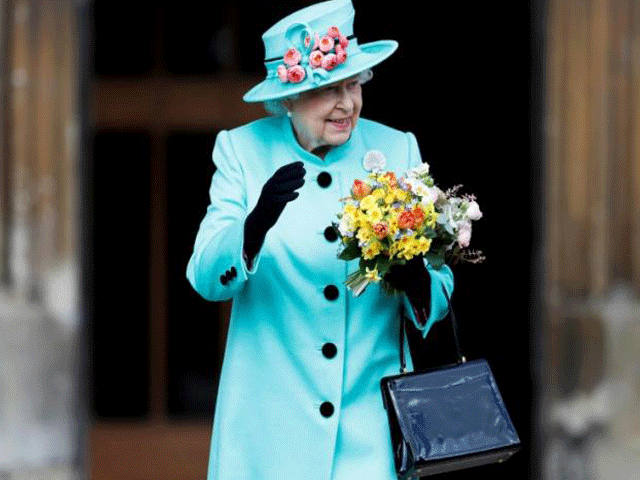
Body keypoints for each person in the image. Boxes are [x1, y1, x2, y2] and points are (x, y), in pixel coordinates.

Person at [186, 1, 454, 478]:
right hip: (269, 429)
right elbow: (207, 276)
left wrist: (417, 279)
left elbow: (437, 290)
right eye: (327, 89)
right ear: (286, 98)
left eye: (353, 84)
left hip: (370, 429)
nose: (347, 103)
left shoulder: (395, 148)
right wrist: (251, 229)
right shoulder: (242, 151)